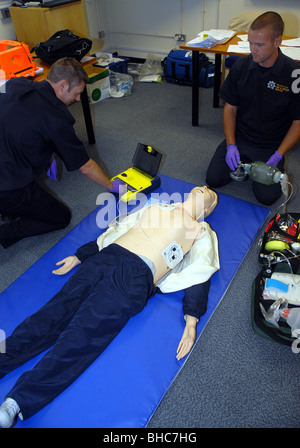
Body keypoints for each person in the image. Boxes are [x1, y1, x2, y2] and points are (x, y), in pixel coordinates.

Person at [0, 186, 219, 428]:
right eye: (202, 187)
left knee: (82, 336)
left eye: (209, 193)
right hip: (105, 259)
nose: (205, 188)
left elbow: (200, 273)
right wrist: (81, 255)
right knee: (50, 315)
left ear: (207, 210)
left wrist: (192, 319)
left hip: (135, 277)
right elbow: (118, 229)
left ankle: (18, 400)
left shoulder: (201, 231)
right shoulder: (155, 207)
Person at [0, 57, 122, 249]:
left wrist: (47, 151)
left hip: (6, 162)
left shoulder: (17, 84)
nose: (77, 99)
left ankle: (9, 209)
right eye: (76, 93)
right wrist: (110, 185)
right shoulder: (56, 118)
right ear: (63, 85)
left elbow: (20, 123)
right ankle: (5, 233)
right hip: (8, 186)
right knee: (60, 217)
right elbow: (85, 166)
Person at [206, 11, 300, 205]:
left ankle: (252, 168)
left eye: (259, 44)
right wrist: (231, 145)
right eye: (250, 43)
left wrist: (279, 154)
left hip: (270, 145)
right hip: (240, 138)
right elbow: (230, 109)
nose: (253, 49)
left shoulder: (293, 74)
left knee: (266, 197)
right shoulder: (241, 67)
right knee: (213, 180)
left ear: (277, 42)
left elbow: (298, 122)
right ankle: (243, 162)